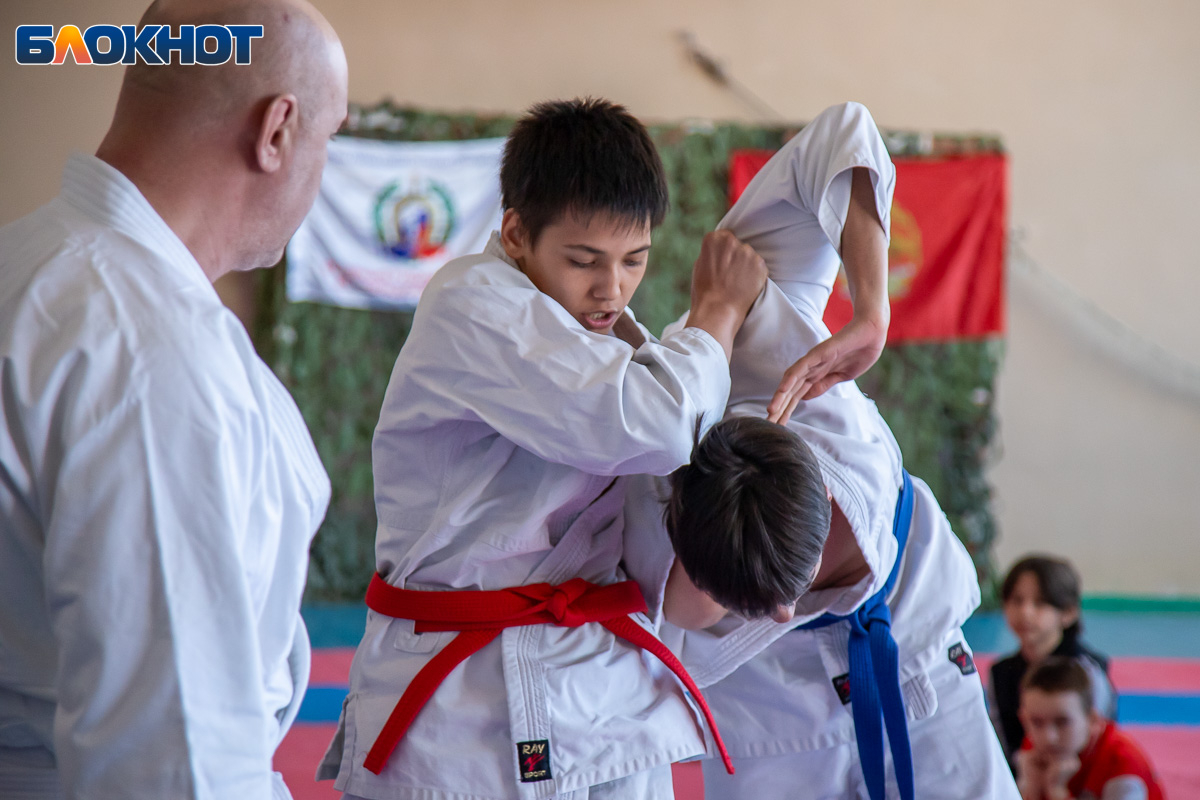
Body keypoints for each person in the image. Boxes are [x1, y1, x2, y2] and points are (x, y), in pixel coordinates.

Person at [318, 98, 768, 800]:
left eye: (634, 261)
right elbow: (652, 425)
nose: (611, 288)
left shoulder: (608, 341)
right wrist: (717, 313)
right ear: (517, 233)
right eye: (584, 260)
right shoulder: (470, 303)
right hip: (463, 699)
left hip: (602, 691)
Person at [0, 1, 348, 797]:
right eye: (329, 138)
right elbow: (175, 750)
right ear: (277, 131)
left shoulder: (27, 263)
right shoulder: (146, 347)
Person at [625, 101, 1019, 799]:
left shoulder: (764, 337)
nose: (786, 608)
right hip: (763, 712)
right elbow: (681, 610)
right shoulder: (644, 453)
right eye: (751, 601)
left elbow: (844, 133)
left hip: (914, 652)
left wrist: (871, 313)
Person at [991, 555, 1118, 770]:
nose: (1025, 612)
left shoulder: (1087, 671)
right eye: (1017, 600)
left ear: (1068, 613)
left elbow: (1101, 740)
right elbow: (1002, 745)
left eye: (1039, 603)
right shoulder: (1001, 672)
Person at [1017, 657, 1163, 800]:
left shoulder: (1123, 764)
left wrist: (1058, 792)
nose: (1049, 737)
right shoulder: (1032, 749)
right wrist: (1032, 790)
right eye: (1036, 722)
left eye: (1062, 722)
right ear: (1023, 719)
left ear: (1093, 720)